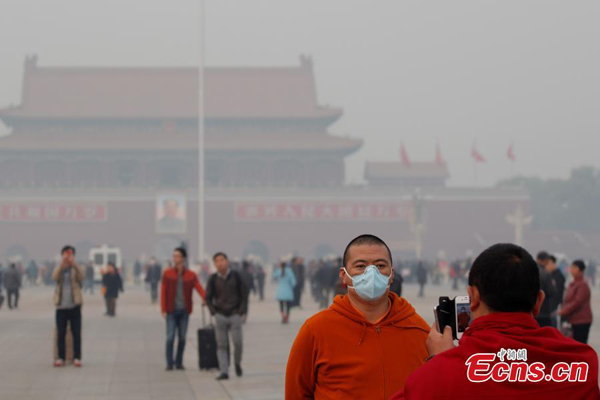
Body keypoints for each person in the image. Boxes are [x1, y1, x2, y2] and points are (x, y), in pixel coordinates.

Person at [392, 243, 599, 400]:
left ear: (473, 297)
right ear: (539, 302)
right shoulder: (582, 363)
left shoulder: (435, 376)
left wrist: (439, 364)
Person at [286, 234, 430, 399]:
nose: (371, 273)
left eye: (380, 265)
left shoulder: (418, 329)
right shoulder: (316, 330)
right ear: (344, 275)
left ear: (391, 274)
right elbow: (296, 393)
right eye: (360, 266)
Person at [160, 247, 205, 370]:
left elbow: (198, 287)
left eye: (177, 256)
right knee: (170, 337)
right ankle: (169, 362)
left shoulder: (191, 275)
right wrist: (163, 309)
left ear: (183, 258)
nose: (175, 258)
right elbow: (163, 291)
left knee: (182, 337)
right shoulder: (167, 273)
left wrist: (205, 298)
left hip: (184, 311)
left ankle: (179, 362)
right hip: (171, 310)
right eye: (174, 256)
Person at [205, 252, 248, 380]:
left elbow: (244, 294)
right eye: (217, 261)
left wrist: (242, 310)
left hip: (235, 314)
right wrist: (213, 311)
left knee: (238, 342)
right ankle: (224, 370)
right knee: (221, 344)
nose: (220, 263)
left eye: (222, 260)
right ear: (214, 264)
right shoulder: (213, 279)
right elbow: (208, 297)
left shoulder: (236, 276)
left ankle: (237, 363)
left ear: (227, 261)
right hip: (220, 315)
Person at [53, 245, 85, 367]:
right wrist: (62, 265)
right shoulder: (59, 268)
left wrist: (74, 264)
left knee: (76, 332)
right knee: (60, 333)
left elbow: (82, 277)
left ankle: (77, 357)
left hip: (74, 306)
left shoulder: (76, 268)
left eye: (70, 255)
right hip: (61, 306)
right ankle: (60, 358)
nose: (67, 257)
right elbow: (54, 277)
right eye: (65, 255)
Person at [559, 260, 593, 344]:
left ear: (580, 270)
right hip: (573, 320)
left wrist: (563, 311)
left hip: (581, 320)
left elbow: (577, 302)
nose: (571, 270)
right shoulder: (572, 284)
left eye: (574, 267)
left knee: (580, 345)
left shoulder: (582, 285)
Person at [535, 251, 557, 327]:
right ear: (544, 260)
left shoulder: (530, 271)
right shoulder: (546, 274)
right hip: (544, 311)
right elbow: (552, 291)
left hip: (532, 310)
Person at [545, 254, 565, 327]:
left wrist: (552, 306)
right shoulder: (549, 275)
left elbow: (557, 294)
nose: (546, 266)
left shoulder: (558, 276)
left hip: (553, 308)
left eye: (548, 264)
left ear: (553, 263)